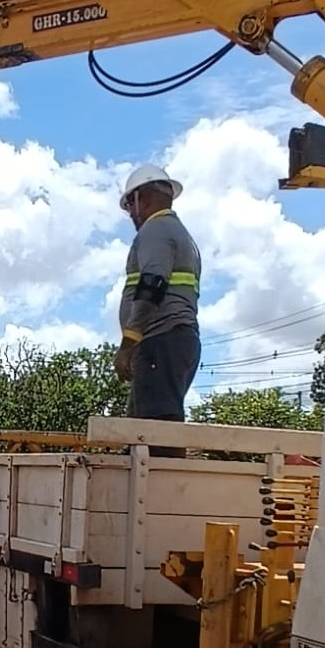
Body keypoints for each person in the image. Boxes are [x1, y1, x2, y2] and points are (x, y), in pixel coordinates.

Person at [114, 164, 202, 444]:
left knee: (155, 434)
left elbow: (152, 283)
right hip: (172, 341)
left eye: (129, 204)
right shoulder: (179, 234)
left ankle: (159, 488)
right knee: (142, 431)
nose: (130, 213)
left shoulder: (156, 230)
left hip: (160, 341)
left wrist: (129, 342)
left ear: (143, 197)